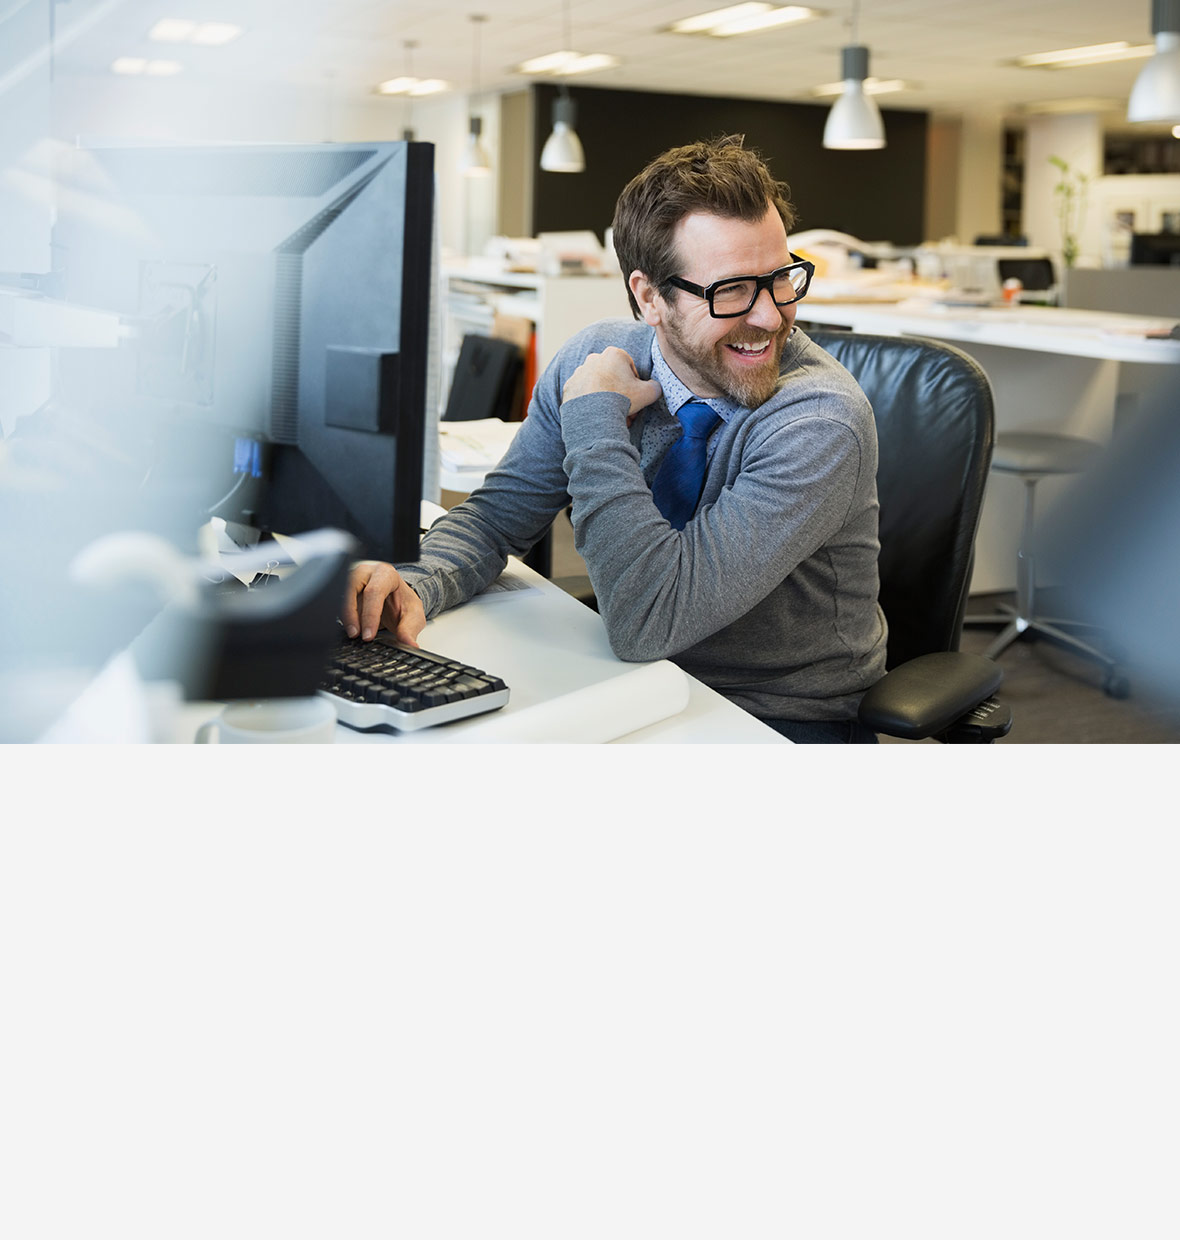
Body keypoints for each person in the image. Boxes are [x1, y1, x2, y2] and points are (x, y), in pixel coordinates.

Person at [343, 135, 887, 743]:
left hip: (777, 714)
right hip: (634, 677)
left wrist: (596, 419)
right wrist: (417, 582)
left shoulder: (817, 422)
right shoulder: (594, 358)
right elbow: (498, 519)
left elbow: (650, 619)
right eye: (731, 289)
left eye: (780, 278)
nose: (769, 315)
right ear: (649, 297)